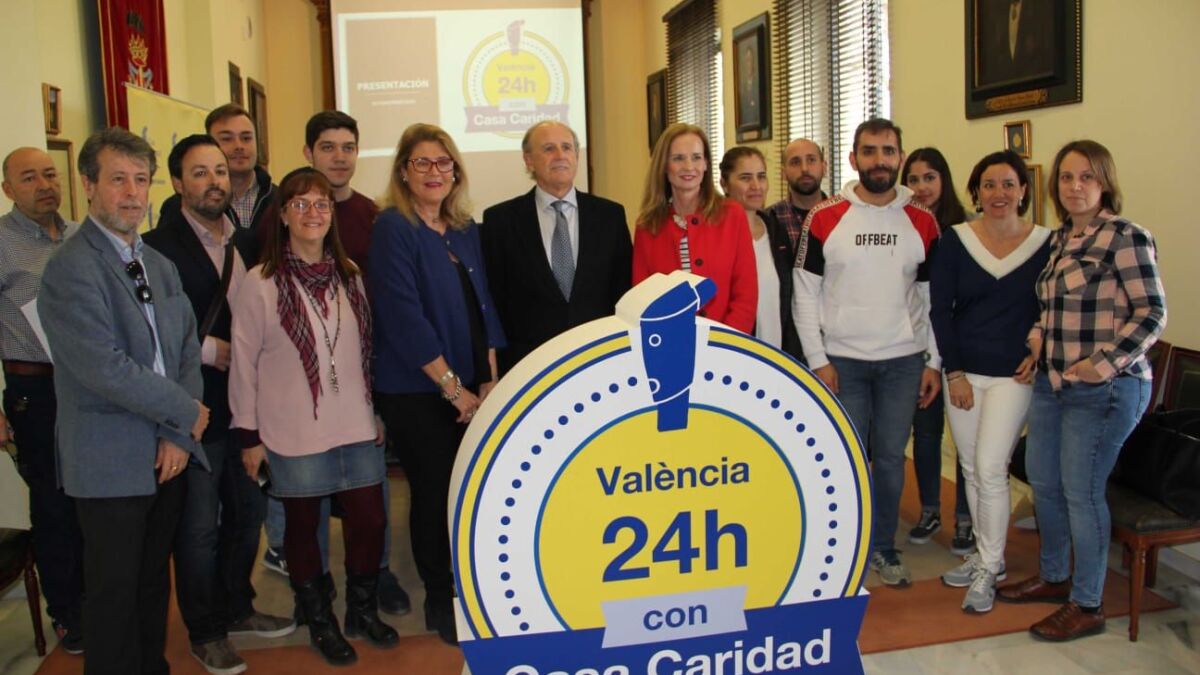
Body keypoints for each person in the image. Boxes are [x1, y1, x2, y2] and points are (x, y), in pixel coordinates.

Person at [39, 127, 211, 674]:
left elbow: (185, 351)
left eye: (141, 179)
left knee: (152, 583)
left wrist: (178, 433)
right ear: (88, 185)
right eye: (118, 180)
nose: (132, 193)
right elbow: (104, 368)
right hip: (108, 459)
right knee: (113, 594)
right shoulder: (70, 268)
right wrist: (185, 412)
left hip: (167, 454)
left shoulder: (158, 263)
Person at [998, 140, 1167, 641]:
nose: (1075, 187)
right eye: (1067, 177)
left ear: (1105, 183)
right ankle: (1055, 576)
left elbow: (1152, 313)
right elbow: (1050, 310)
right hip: (1053, 383)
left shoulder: (1125, 236)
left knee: (1081, 492)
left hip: (1105, 390)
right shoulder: (1060, 239)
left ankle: (1088, 603)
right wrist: (1036, 340)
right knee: (1043, 481)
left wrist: (1103, 364)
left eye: (1087, 177)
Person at [232, 168, 398, 666]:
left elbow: (365, 353)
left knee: (370, 521)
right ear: (282, 215)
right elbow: (242, 364)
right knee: (303, 529)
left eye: (321, 204)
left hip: (354, 422)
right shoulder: (260, 283)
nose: (312, 213)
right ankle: (320, 620)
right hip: (292, 429)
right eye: (300, 204)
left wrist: (376, 411)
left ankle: (361, 611)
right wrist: (249, 436)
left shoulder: (351, 276)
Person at [144, 134, 295, 674]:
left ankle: (237, 606)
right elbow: (148, 331)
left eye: (220, 171)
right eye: (200, 172)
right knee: (198, 530)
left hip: (245, 409)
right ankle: (205, 631)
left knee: (247, 515)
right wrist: (212, 350)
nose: (214, 182)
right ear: (177, 183)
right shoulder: (155, 248)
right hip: (194, 408)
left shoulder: (248, 243)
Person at [255, 110, 412, 617]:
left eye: (348, 147)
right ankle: (315, 600)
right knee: (306, 511)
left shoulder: (375, 215)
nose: (339, 157)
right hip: (297, 398)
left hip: (357, 385)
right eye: (328, 147)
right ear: (309, 153)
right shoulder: (276, 221)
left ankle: (375, 580)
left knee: (370, 505)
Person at [370, 124, 505, 646]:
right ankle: (439, 596)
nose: (434, 172)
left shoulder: (464, 229)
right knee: (435, 493)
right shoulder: (393, 228)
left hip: (471, 385)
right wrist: (453, 390)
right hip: (416, 390)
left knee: (471, 489)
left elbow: (483, 306)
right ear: (403, 171)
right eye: (421, 162)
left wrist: (489, 379)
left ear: (456, 171)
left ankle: (470, 584)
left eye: (443, 162)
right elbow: (404, 318)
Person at [791, 118, 941, 587]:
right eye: (870, 151)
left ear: (900, 157)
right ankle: (842, 547)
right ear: (854, 159)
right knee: (844, 457)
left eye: (888, 151)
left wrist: (934, 362)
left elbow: (933, 300)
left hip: (903, 361)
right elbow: (804, 293)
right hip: (843, 363)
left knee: (891, 460)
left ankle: (882, 546)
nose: (880, 160)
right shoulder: (825, 217)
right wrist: (818, 360)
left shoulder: (922, 220)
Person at [930, 150, 1051, 614]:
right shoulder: (955, 241)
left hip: (1013, 378)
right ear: (976, 193)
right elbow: (941, 311)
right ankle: (986, 557)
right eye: (988, 185)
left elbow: (1053, 307)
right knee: (970, 468)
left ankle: (990, 563)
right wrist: (954, 372)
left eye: (1007, 184)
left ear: (1023, 190)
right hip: (964, 374)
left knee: (990, 466)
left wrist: (1038, 349)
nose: (998, 193)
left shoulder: (1047, 243)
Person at [0, 146, 83, 654]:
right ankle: (68, 614)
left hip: (87, 387)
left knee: (90, 499)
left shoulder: (81, 235)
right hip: (35, 391)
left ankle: (98, 599)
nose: (44, 185)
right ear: (8, 189)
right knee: (53, 506)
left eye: (50, 174)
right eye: (29, 178)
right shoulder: (2, 243)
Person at [481, 120, 631, 376]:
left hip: (599, 361)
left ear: (577, 156)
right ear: (529, 160)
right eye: (549, 148)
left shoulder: (610, 216)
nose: (560, 155)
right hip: (527, 368)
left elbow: (622, 292)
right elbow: (494, 301)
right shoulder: (500, 221)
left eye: (567, 147)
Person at [901, 147, 974, 555]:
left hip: (963, 349)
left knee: (965, 437)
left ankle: (965, 517)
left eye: (929, 177)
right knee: (926, 434)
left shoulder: (967, 230)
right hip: (920, 348)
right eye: (913, 179)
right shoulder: (903, 227)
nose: (921, 187)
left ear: (943, 180)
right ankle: (930, 510)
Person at [632, 123, 756, 333]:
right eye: (678, 158)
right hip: (668, 342)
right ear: (664, 165)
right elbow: (642, 299)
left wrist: (724, 341)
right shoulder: (647, 225)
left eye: (697, 157)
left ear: (706, 164)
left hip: (726, 342)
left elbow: (746, 294)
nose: (689, 166)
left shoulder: (732, 215)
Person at [717, 146, 803, 360]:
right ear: (724, 184)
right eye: (745, 178)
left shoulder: (775, 229)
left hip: (776, 356)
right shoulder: (715, 233)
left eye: (761, 176)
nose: (756, 186)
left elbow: (788, 301)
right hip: (733, 354)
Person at [769, 138, 828, 250]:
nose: (804, 169)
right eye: (795, 162)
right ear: (783, 173)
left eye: (811, 160)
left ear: (824, 167)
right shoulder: (770, 219)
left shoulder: (842, 216)